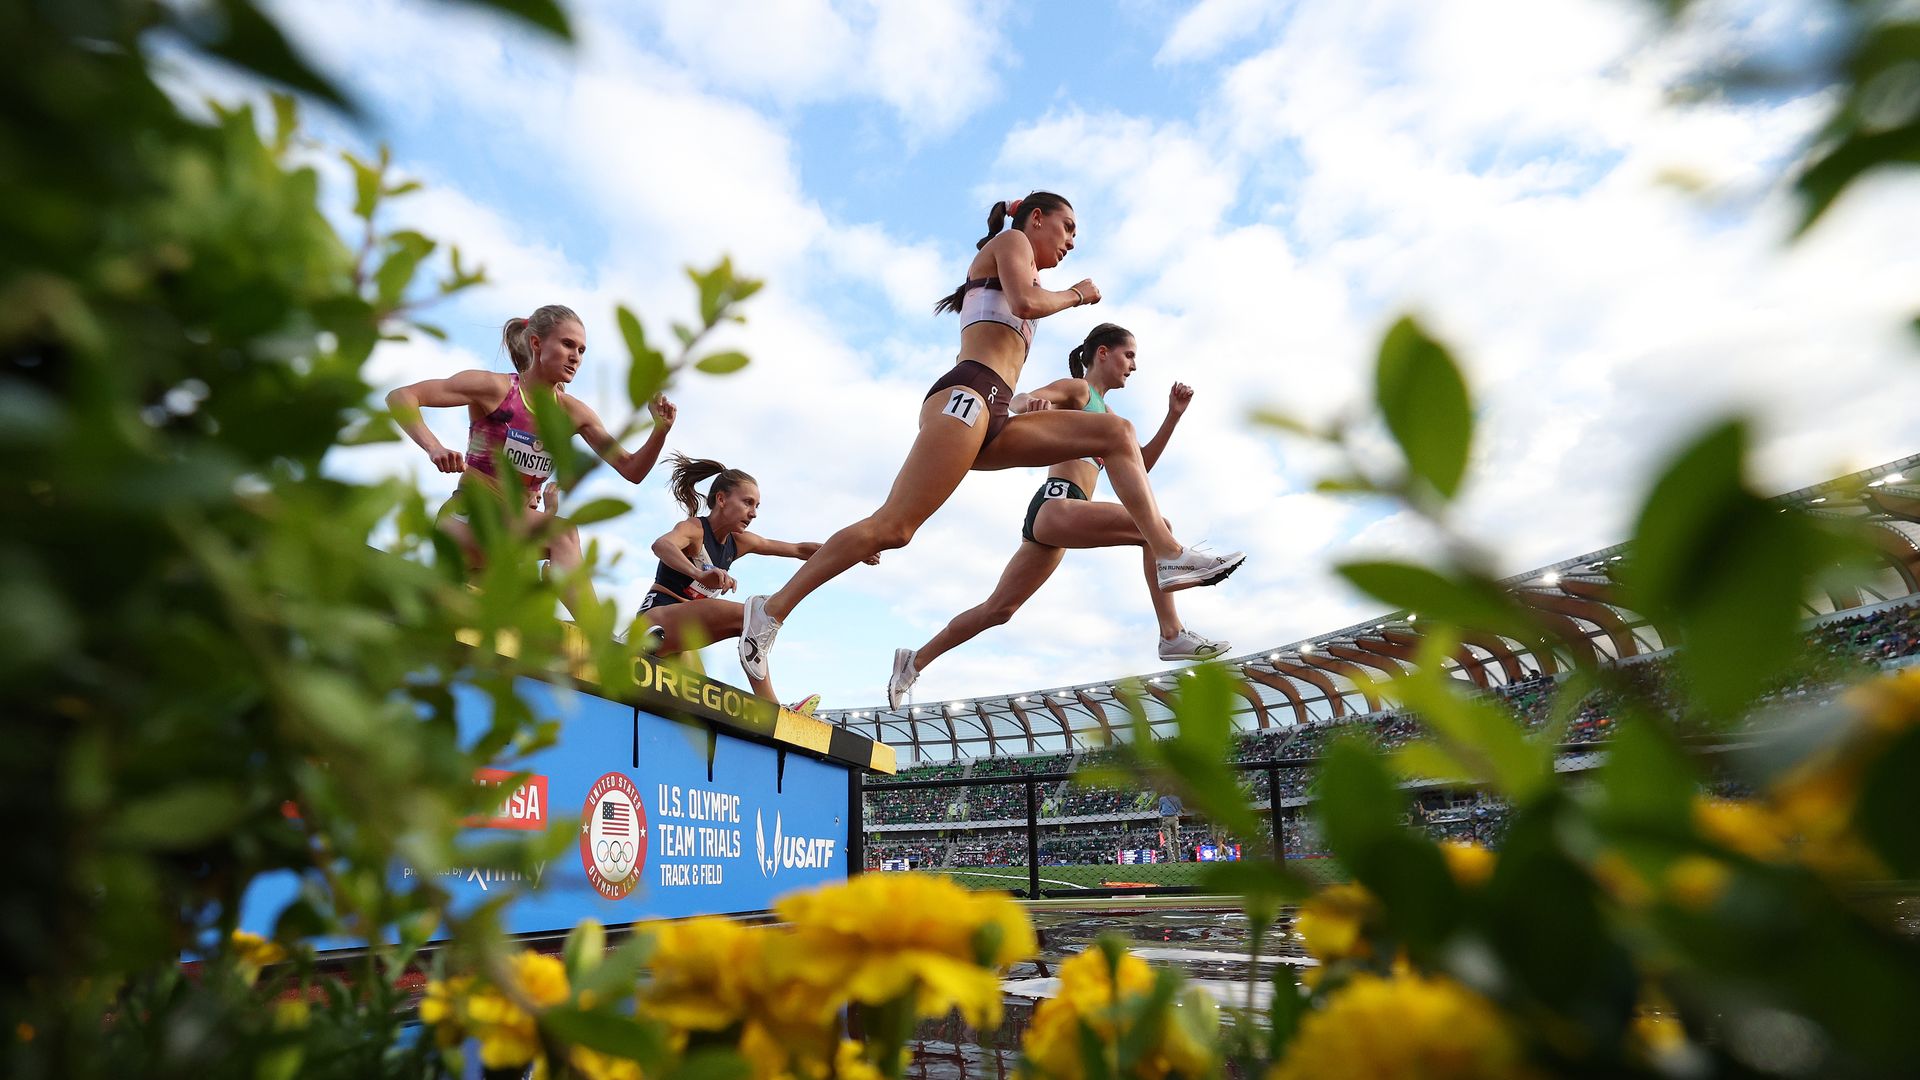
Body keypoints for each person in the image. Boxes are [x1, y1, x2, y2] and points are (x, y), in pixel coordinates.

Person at [737, 192, 1245, 683]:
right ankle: (772, 610)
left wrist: (1032, 406)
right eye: (1068, 229)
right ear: (1038, 218)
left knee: (1117, 432)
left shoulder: (1021, 262)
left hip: (994, 410)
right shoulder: (1012, 244)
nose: (1071, 243)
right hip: (967, 395)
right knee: (893, 528)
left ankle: (1167, 560)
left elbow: (1022, 315)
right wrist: (1077, 296)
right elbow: (1024, 302)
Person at [886, 323, 1231, 707]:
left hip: (1061, 517)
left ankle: (914, 661)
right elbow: (1022, 397)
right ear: (1103, 353)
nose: (1133, 366)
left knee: (999, 609)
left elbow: (1139, 465)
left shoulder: (1111, 417)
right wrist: (1033, 406)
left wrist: (1173, 416)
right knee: (1156, 529)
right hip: (1058, 503)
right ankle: (1172, 633)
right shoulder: (1080, 390)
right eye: (1129, 355)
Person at [387, 304, 674, 617]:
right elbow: (401, 397)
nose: (576, 356)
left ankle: (551, 583)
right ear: (536, 343)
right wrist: (434, 447)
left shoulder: (573, 414)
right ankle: (598, 636)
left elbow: (632, 469)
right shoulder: (494, 388)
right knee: (562, 533)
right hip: (467, 520)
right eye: (567, 344)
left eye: (581, 349)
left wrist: (660, 431)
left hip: (506, 544)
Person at [637, 454, 876, 712]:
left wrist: (854, 550)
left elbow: (798, 549)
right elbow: (661, 545)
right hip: (656, 619)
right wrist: (698, 574)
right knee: (754, 617)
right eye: (748, 503)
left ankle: (770, 710)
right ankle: (773, 708)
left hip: (684, 636)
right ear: (721, 499)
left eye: (757, 506)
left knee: (703, 705)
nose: (753, 513)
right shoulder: (695, 529)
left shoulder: (740, 542)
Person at [1157, 792, 1183, 863]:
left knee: (1167, 840)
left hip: (1166, 818)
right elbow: (1181, 809)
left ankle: (1171, 859)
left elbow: (1159, 810)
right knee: (1176, 839)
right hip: (1175, 818)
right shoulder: (1176, 798)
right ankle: (1178, 858)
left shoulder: (1162, 799)